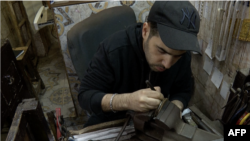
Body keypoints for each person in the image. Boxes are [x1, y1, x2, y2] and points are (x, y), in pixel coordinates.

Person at [79, 0, 201, 127]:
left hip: (152, 125)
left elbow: (183, 90)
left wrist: (173, 108)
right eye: (161, 50)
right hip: (112, 123)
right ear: (145, 31)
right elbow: (85, 96)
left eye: (176, 56)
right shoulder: (114, 50)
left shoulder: (182, 55)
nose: (168, 64)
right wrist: (126, 101)